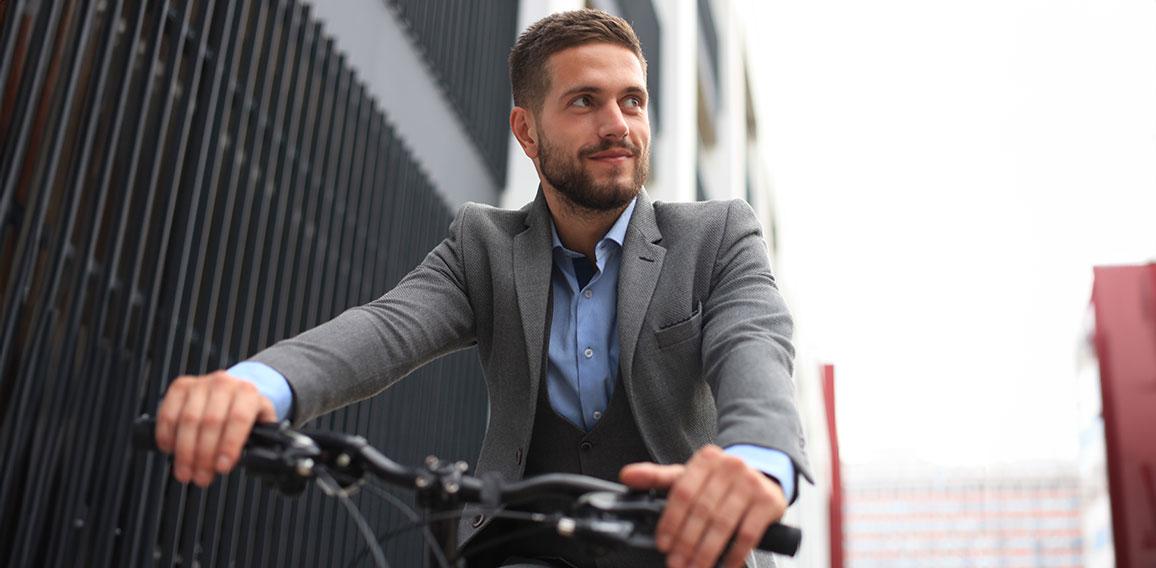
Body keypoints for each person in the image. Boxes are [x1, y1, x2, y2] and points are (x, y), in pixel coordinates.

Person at [154, 9, 810, 568]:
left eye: (632, 100)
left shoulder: (716, 235)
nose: (618, 124)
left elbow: (755, 351)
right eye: (585, 101)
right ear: (527, 131)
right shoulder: (483, 247)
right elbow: (383, 329)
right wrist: (251, 387)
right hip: (522, 548)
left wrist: (753, 463)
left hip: (682, 549)